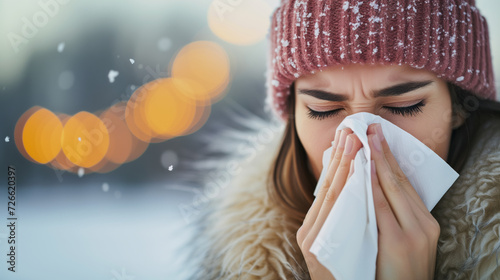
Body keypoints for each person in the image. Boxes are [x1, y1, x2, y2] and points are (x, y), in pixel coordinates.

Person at [185, 0, 500, 279]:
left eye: (403, 106)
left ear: (460, 107)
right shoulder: (242, 261)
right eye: (324, 109)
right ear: (293, 117)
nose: (361, 144)